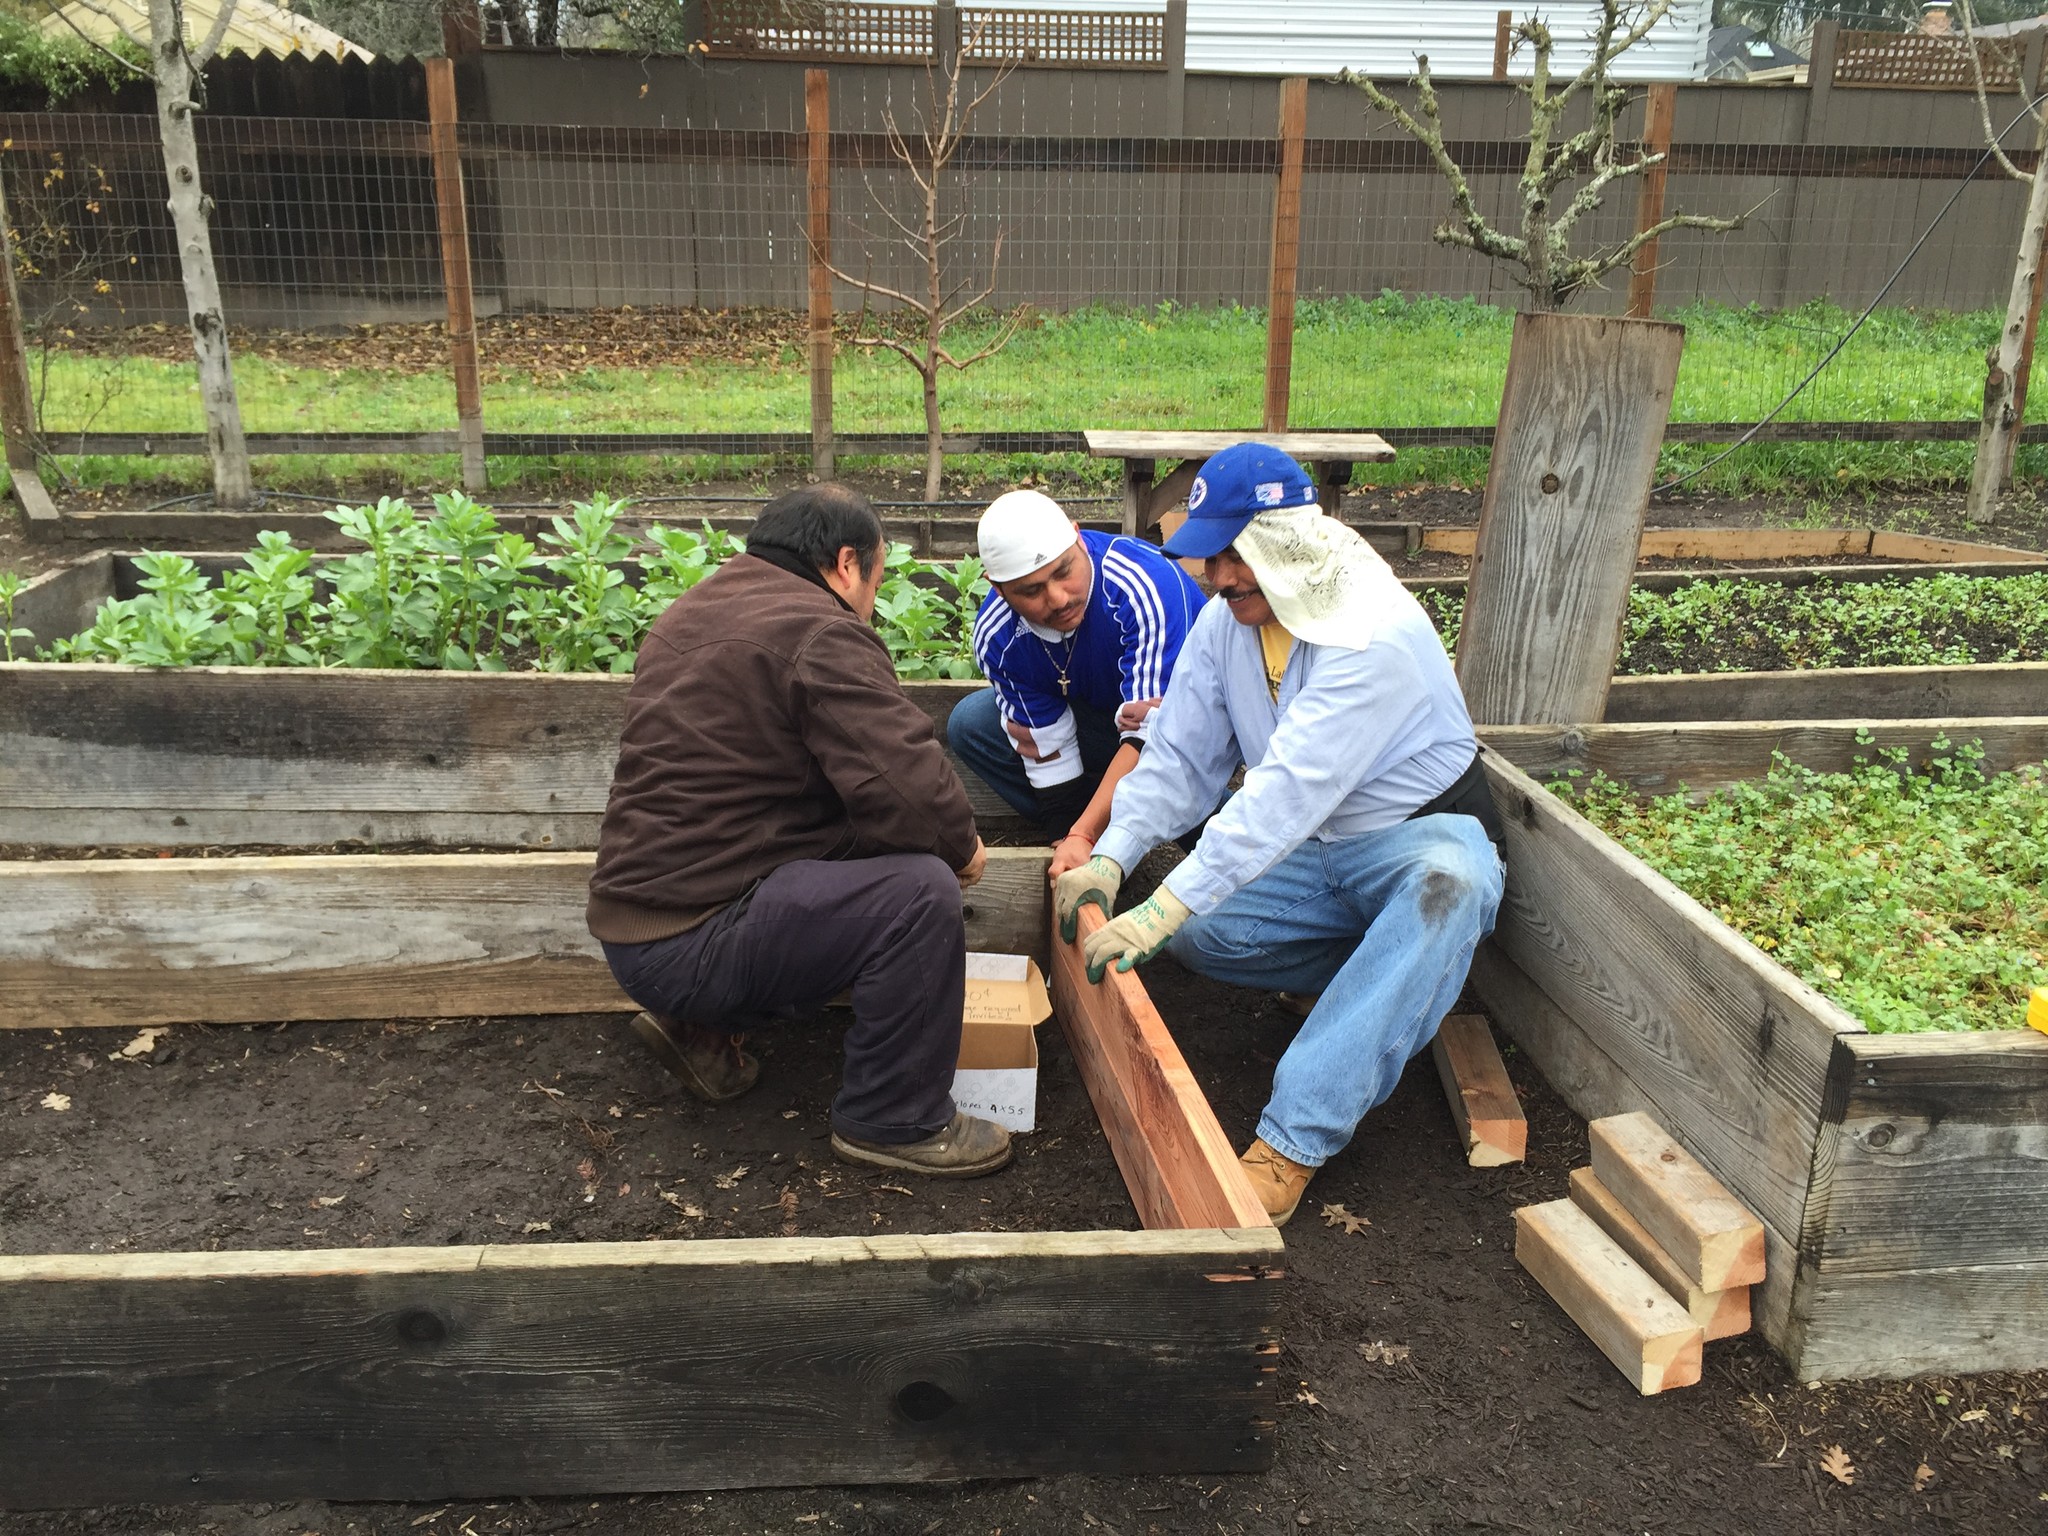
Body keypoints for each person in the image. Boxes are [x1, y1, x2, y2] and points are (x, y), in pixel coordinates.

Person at [1051, 442, 1505, 1224]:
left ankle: (1295, 1139)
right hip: (1319, 846)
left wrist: (1167, 901)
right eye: (1210, 559)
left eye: (1234, 556)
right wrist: (1116, 853)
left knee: (1448, 886)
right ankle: (1380, 979)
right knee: (1200, 937)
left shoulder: (1372, 633)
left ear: (1287, 542)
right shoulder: (1233, 621)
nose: (1218, 577)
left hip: (1415, 841)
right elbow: (1183, 750)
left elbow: (1288, 789)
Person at [587, 482, 1012, 1179]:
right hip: (694, 941)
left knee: (847, 850)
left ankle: (697, 1027)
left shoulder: (693, 611)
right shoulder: (819, 628)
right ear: (848, 563)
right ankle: (895, 1117)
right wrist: (961, 847)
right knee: (918, 893)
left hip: (637, 935)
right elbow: (908, 785)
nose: (872, 597)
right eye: (877, 578)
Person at [947, 489, 1206, 878]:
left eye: (1063, 571)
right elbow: (1044, 741)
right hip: (1103, 724)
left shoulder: (1141, 587)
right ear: (998, 589)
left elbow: (1156, 734)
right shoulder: (998, 636)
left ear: (1078, 536)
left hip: (1190, 730)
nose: (1057, 598)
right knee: (972, 723)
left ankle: (1204, 830)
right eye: (1031, 590)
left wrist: (1084, 834)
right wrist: (1066, 831)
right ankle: (1101, 828)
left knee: (1183, 786)